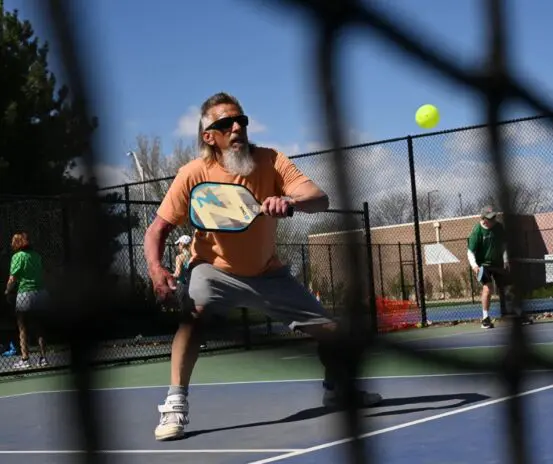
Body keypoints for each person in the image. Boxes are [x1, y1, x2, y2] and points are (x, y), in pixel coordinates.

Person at [143, 92, 383, 441]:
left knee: (333, 333)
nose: (237, 127)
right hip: (213, 269)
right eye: (226, 123)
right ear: (209, 136)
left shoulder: (271, 161)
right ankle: (175, 404)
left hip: (268, 274)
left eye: (241, 120)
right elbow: (157, 229)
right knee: (192, 316)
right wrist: (155, 267)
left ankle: (338, 390)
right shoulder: (193, 174)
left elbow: (320, 198)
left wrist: (289, 200)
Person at [467, 206, 532, 329]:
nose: (494, 220)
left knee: (509, 288)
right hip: (483, 265)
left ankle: (519, 315)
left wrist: (505, 260)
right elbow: (470, 252)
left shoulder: (498, 227)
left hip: (497, 264)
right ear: (484, 219)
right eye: (491, 218)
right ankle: (485, 318)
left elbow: (503, 245)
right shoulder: (477, 231)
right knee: (488, 288)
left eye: (494, 217)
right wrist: (475, 266)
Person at [3, 232, 49, 369]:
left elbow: (12, 279)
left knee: (22, 327)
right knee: (40, 327)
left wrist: (7, 291)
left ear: (17, 243)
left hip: (25, 294)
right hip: (41, 294)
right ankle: (43, 358)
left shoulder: (17, 256)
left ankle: (25, 359)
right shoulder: (36, 256)